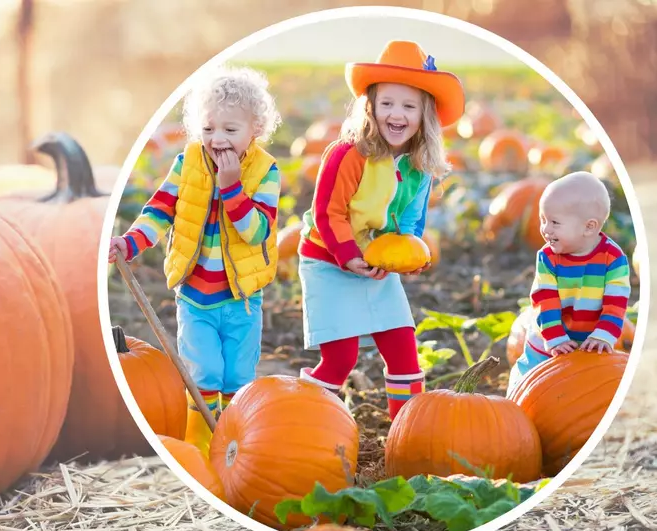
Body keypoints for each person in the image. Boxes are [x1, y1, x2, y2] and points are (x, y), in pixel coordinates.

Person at [108, 65, 282, 455]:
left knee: (237, 376)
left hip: (243, 299)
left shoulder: (265, 171)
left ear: (255, 130)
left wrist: (232, 188)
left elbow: (257, 232)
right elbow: (160, 209)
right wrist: (131, 242)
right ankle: (201, 446)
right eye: (208, 129)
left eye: (230, 130)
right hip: (196, 297)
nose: (217, 139)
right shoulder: (188, 164)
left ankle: (236, 445)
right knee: (203, 372)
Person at [295, 40, 464, 420]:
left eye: (408, 106)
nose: (396, 114)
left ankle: (407, 431)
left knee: (403, 344)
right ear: (369, 107)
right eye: (387, 103)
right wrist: (349, 257)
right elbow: (328, 212)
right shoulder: (348, 154)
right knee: (341, 358)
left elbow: (408, 224)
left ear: (425, 116)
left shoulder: (420, 165)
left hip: (377, 260)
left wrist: (409, 256)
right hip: (329, 258)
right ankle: (304, 418)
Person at [506, 171, 631, 393]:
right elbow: (545, 299)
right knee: (528, 380)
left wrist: (604, 334)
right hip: (549, 338)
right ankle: (515, 403)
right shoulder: (547, 257)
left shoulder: (614, 259)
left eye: (554, 222)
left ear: (589, 227)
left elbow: (616, 302)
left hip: (592, 340)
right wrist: (554, 337)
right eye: (543, 220)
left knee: (587, 392)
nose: (545, 229)